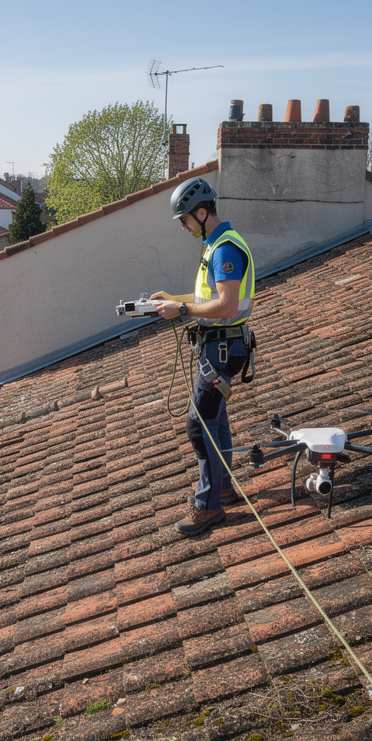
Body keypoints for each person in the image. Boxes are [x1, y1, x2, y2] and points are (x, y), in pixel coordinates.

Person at [152, 177, 256, 535]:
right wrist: (176, 301)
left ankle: (207, 506)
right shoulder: (216, 244)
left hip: (222, 347)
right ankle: (222, 488)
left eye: (184, 220)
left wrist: (183, 310)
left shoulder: (225, 249)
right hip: (221, 344)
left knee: (200, 426)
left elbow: (226, 305)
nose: (183, 227)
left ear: (200, 213)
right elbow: (210, 299)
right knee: (216, 420)